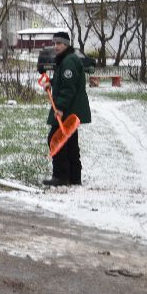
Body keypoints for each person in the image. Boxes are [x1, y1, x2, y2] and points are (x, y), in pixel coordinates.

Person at [44, 30, 91, 187]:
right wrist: (51, 82)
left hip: (68, 110)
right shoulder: (67, 59)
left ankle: (61, 176)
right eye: (55, 43)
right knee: (70, 142)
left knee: (55, 139)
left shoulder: (69, 61)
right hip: (71, 110)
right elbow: (63, 81)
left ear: (66, 44)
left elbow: (68, 89)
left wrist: (61, 108)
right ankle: (74, 177)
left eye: (59, 43)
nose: (56, 46)